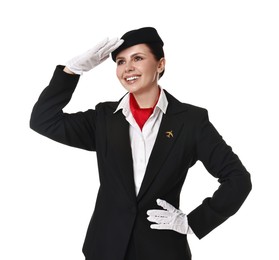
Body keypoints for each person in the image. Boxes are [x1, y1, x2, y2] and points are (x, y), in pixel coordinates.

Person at [30, 27, 252, 260]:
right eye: (120, 62)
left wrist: (192, 223)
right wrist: (72, 71)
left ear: (160, 64)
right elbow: (43, 120)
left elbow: (238, 179)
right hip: (105, 249)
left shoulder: (191, 121)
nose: (128, 68)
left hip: (162, 250)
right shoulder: (103, 118)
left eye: (138, 58)